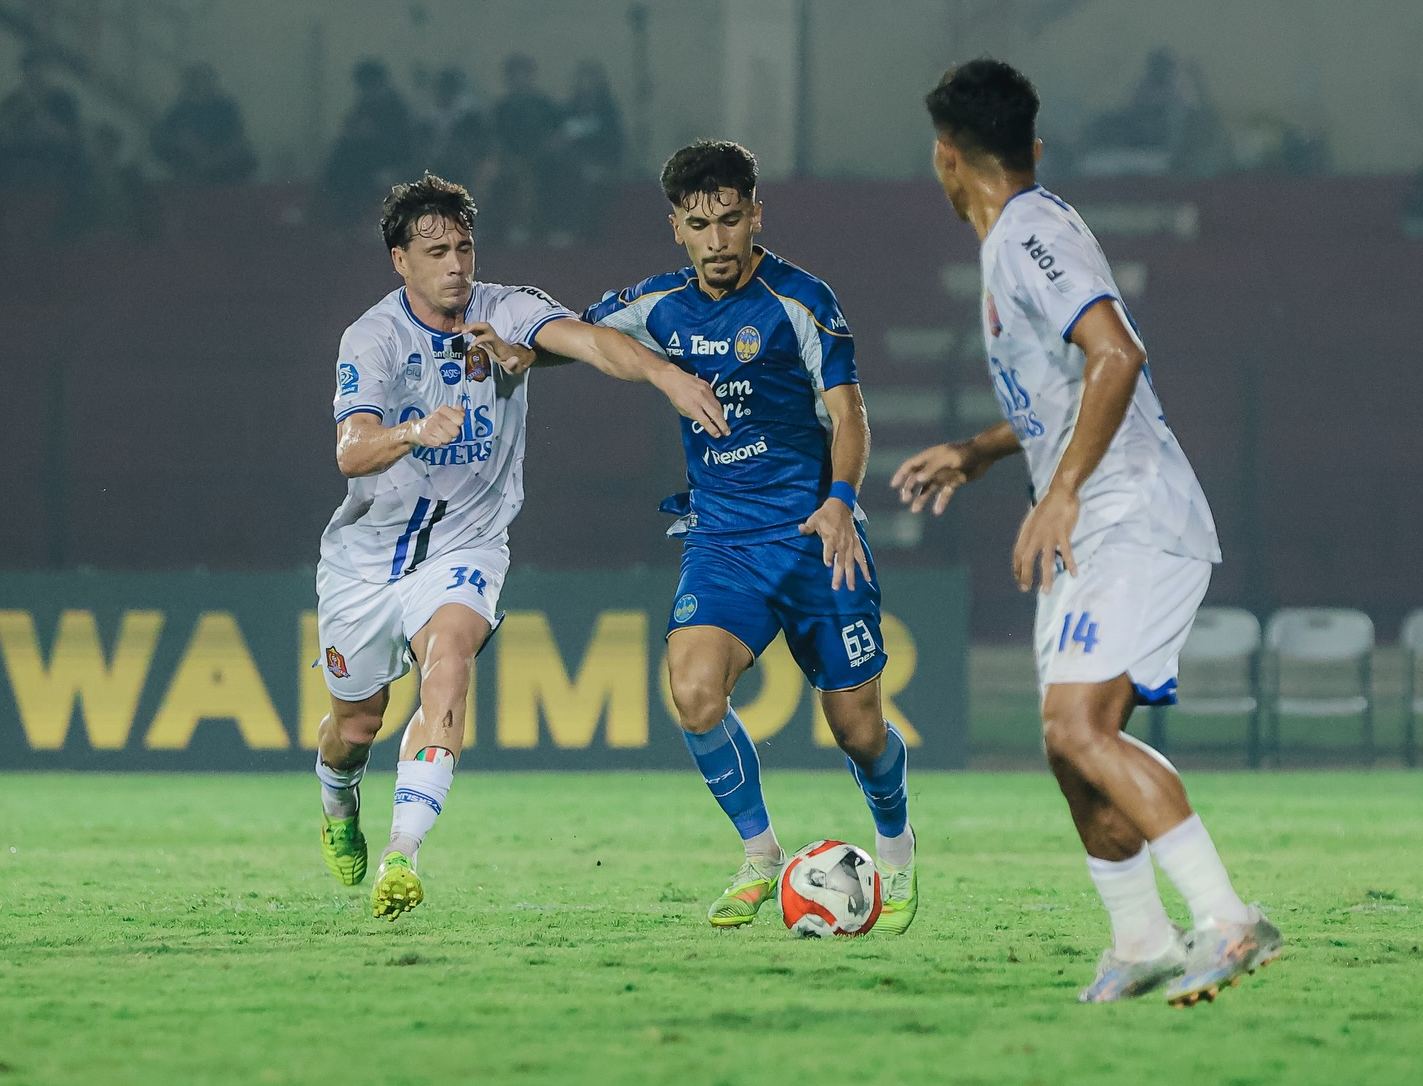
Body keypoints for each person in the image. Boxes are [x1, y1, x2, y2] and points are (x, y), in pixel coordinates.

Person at [891, 60, 1281, 1004]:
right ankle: (1140, 939)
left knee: (1079, 727)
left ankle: (1225, 919)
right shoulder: (1013, 243)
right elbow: (1066, 395)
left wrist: (1058, 492)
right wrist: (986, 451)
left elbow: (1115, 353)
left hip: (1128, 515)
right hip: (1094, 520)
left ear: (946, 158)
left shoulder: (1028, 231)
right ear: (1029, 145)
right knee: (1067, 747)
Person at [314, 173, 726, 921]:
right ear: (399, 261)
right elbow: (350, 451)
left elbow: (595, 343)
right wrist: (412, 431)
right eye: (435, 251)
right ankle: (338, 801)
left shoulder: (507, 311)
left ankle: (403, 855)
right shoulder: (372, 337)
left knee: (449, 661)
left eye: (464, 248)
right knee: (355, 727)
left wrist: (664, 375)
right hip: (365, 562)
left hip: (468, 542)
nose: (455, 266)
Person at [582, 140, 919, 933]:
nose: (717, 240)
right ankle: (760, 856)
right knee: (693, 693)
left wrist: (840, 500)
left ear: (755, 215)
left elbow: (848, 415)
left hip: (813, 534)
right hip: (723, 538)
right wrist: (514, 350)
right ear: (675, 227)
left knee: (858, 731)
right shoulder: (657, 302)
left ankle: (896, 850)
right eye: (699, 225)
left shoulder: (801, 299)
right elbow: (573, 335)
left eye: (731, 220)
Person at [320, 59, 415, 225]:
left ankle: (346, 217)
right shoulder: (364, 104)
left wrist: (372, 134)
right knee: (343, 151)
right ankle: (331, 204)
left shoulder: (396, 106)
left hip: (390, 157)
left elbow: (401, 142)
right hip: (365, 154)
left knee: (354, 167)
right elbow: (350, 126)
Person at [490, 54, 560, 245]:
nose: (519, 80)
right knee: (486, 174)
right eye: (514, 76)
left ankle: (522, 227)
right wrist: (504, 158)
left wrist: (537, 155)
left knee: (526, 178)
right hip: (508, 160)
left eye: (523, 75)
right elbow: (496, 138)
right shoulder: (501, 108)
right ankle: (475, 226)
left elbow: (555, 135)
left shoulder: (545, 106)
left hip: (540, 160)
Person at [149, 64, 257, 186]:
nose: (202, 85)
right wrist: (189, 149)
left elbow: (238, 137)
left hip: (225, 163)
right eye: (196, 80)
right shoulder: (179, 111)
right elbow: (163, 139)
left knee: (248, 159)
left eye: (206, 80)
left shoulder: (227, 107)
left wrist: (218, 157)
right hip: (192, 166)